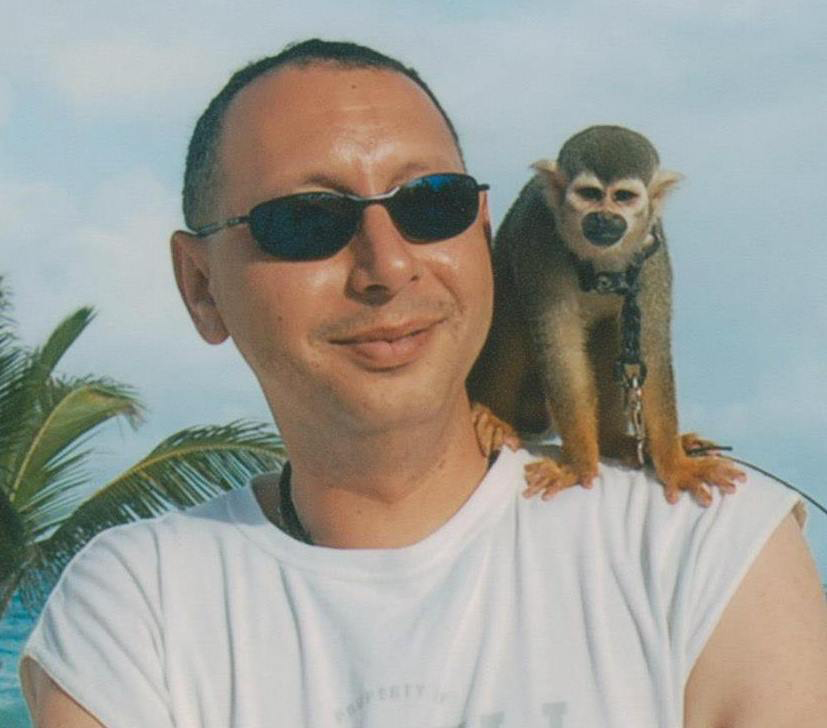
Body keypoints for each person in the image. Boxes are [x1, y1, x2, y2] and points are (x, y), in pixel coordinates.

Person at [19, 39, 827, 727]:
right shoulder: (139, 603)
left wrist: (641, 449)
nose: (388, 264)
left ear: (482, 236)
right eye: (307, 220)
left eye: (430, 205)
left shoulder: (705, 549)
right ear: (201, 287)